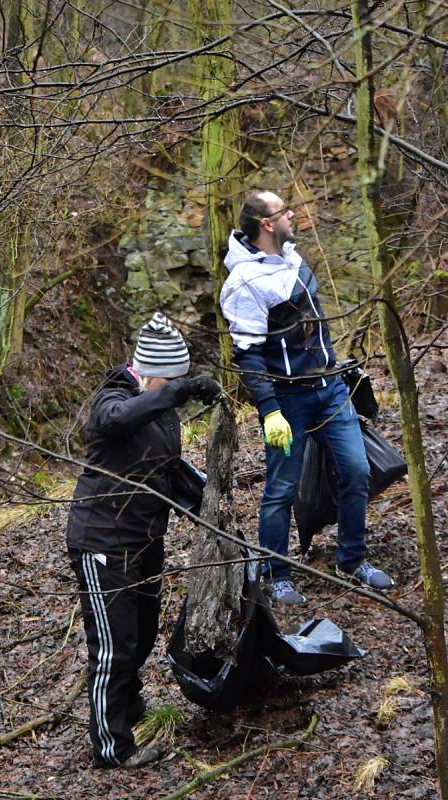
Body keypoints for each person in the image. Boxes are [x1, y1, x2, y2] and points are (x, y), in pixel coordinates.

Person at [219, 190, 394, 606]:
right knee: (280, 489)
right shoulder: (243, 282)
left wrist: (337, 369)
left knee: (356, 472)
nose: (293, 215)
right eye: (284, 211)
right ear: (266, 224)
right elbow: (248, 355)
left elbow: (317, 329)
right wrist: (271, 411)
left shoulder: (295, 260)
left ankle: (351, 560)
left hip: (329, 389)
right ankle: (277, 574)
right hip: (288, 401)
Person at [67, 312, 221, 768]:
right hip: (101, 542)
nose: (169, 394)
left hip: (145, 539)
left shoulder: (162, 412)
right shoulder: (111, 398)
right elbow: (118, 419)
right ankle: (112, 746)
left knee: (143, 633)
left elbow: (168, 474)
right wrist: (178, 388)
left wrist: (212, 511)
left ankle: (129, 706)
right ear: (150, 373)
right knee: (114, 646)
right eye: (166, 383)